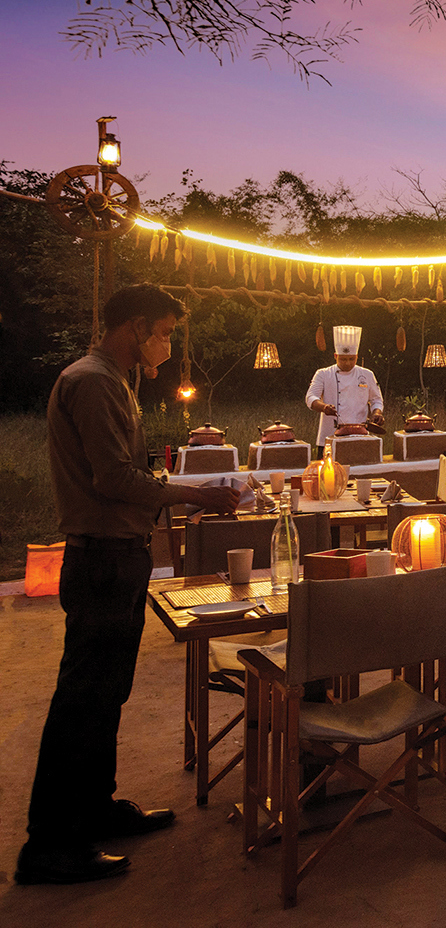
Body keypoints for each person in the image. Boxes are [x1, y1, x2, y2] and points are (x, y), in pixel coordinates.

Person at [16, 284, 241, 886]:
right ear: (137, 326)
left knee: (107, 691)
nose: (167, 343)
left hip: (121, 553)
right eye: (164, 331)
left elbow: (129, 469)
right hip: (102, 557)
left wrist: (165, 483)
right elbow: (114, 477)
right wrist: (197, 493)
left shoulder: (114, 381)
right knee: (83, 698)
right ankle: (50, 844)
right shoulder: (91, 380)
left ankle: (95, 808)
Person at [303, 324, 383, 455]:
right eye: (343, 359)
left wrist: (377, 413)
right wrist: (324, 407)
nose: (347, 363)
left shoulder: (367, 375)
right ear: (335, 356)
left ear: (356, 356)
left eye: (351, 359)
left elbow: (376, 400)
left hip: (360, 436)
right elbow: (310, 398)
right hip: (329, 437)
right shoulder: (323, 374)